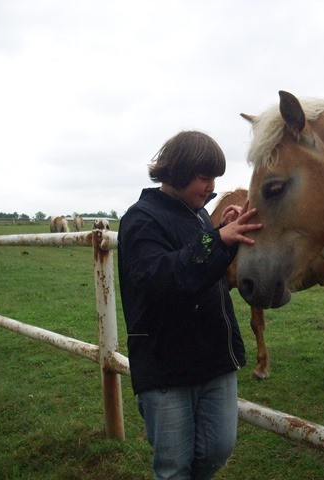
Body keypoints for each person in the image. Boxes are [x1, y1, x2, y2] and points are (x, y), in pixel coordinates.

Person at [117, 130, 261, 480]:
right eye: (204, 177)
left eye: (214, 178)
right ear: (178, 171)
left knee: (218, 449)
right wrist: (217, 240)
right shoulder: (141, 220)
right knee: (172, 466)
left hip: (212, 359)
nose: (211, 186)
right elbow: (160, 279)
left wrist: (224, 234)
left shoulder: (197, 216)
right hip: (166, 365)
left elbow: (200, 268)